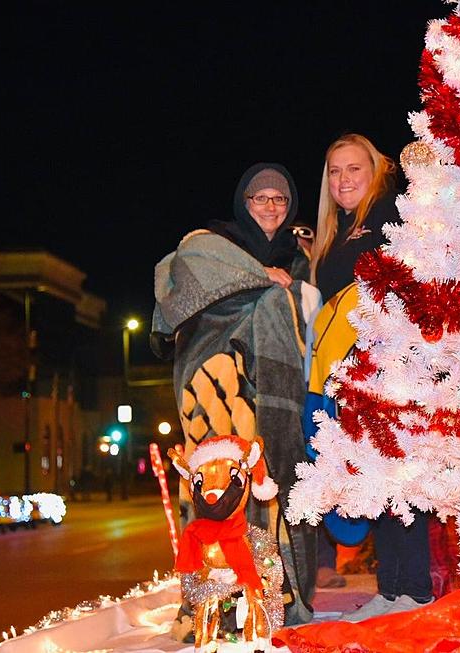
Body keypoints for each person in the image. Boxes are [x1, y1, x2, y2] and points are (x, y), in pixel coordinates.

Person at [151, 163, 319, 625]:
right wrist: (257, 277)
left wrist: (283, 289)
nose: (270, 206)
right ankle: (211, 607)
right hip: (215, 384)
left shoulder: (299, 254)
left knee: (271, 484)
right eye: (260, 197)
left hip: (274, 390)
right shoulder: (212, 243)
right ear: (243, 203)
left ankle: (274, 599)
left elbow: (312, 307)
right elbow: (180, 276)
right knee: (217, 487)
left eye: (280, 199)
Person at [307, 133, 433, 621]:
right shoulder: (334, 230)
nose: (343, 180)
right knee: (376, 483)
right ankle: (394, 587)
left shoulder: (389, 213)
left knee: (401, 480)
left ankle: (415, 590)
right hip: (347, 376)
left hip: (390, 367)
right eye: (335, 171)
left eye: (353, 168)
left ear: (375, 170)